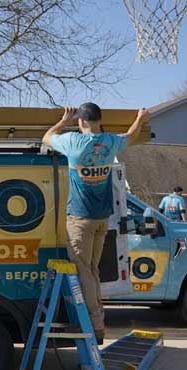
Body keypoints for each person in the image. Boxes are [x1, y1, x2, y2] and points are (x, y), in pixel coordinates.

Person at [43, 103, 150, 342]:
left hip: (81, 219)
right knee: (92, 271)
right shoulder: (110, 143)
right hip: (102, 219)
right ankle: (98, 319)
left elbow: (47, 137)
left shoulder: (73, 143)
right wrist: (140, 117)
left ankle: (95, 323)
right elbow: (132, 136)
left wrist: (63, 121)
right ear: (99, 121)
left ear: (81, 122)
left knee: (84, 272)